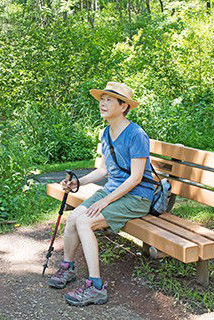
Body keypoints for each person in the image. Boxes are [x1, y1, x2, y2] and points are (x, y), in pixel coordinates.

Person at [47, 82, 154, 307]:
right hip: (113, 191)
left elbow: (135, 179)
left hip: (137, 197)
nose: (103, 103)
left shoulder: (136, 134)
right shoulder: (105, 132)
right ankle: (68, 268)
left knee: (85, 221)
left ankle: (96, 287)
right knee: (74, 217)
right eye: (102, 99)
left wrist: (105, 200)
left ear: (124, 106)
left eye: (109, 99)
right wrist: (77, 182)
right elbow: (104, 171)